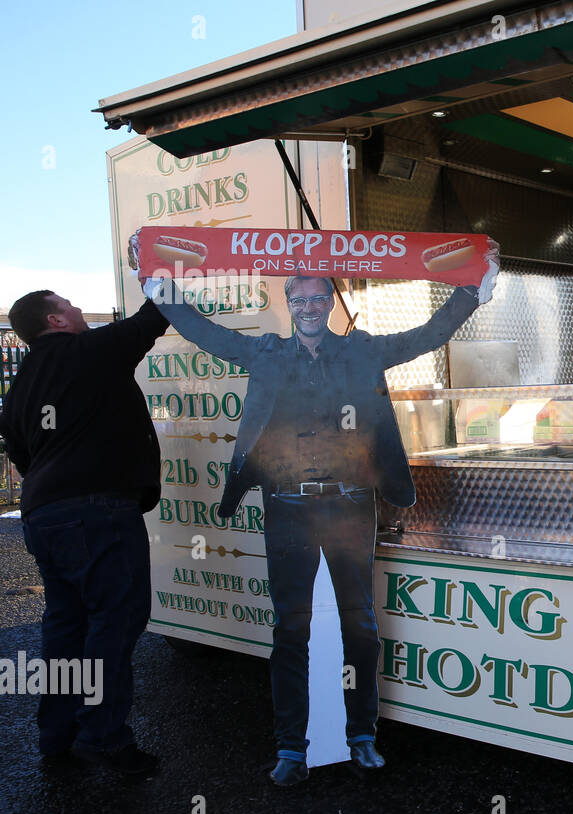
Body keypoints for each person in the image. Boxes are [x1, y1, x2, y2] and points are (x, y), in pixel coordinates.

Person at [138, 240, 498, 786]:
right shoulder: (265, 353)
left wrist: (473, 290)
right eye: (298, 299)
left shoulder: (362, 351)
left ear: (330, 300)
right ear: (290, 304)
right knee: (290, 628)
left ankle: (362, 736)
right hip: (285, 509)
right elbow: (205, 332)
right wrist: (162, 292)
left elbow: (428, 335)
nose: (308, 306)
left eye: (317, 297)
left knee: (361, 624)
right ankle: (290, 746)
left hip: (352, 506)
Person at [0, 289, 169, 775]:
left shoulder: (22, 382)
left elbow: (21, 453)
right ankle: (105, 738)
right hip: (99, 516)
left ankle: (57, 735)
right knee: (113, 627)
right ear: (55, 320)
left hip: (44, 517)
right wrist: (162, 276)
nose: (78, 310)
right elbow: (152, 319)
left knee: (65, 627)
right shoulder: (87, 352)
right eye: (69, 304)